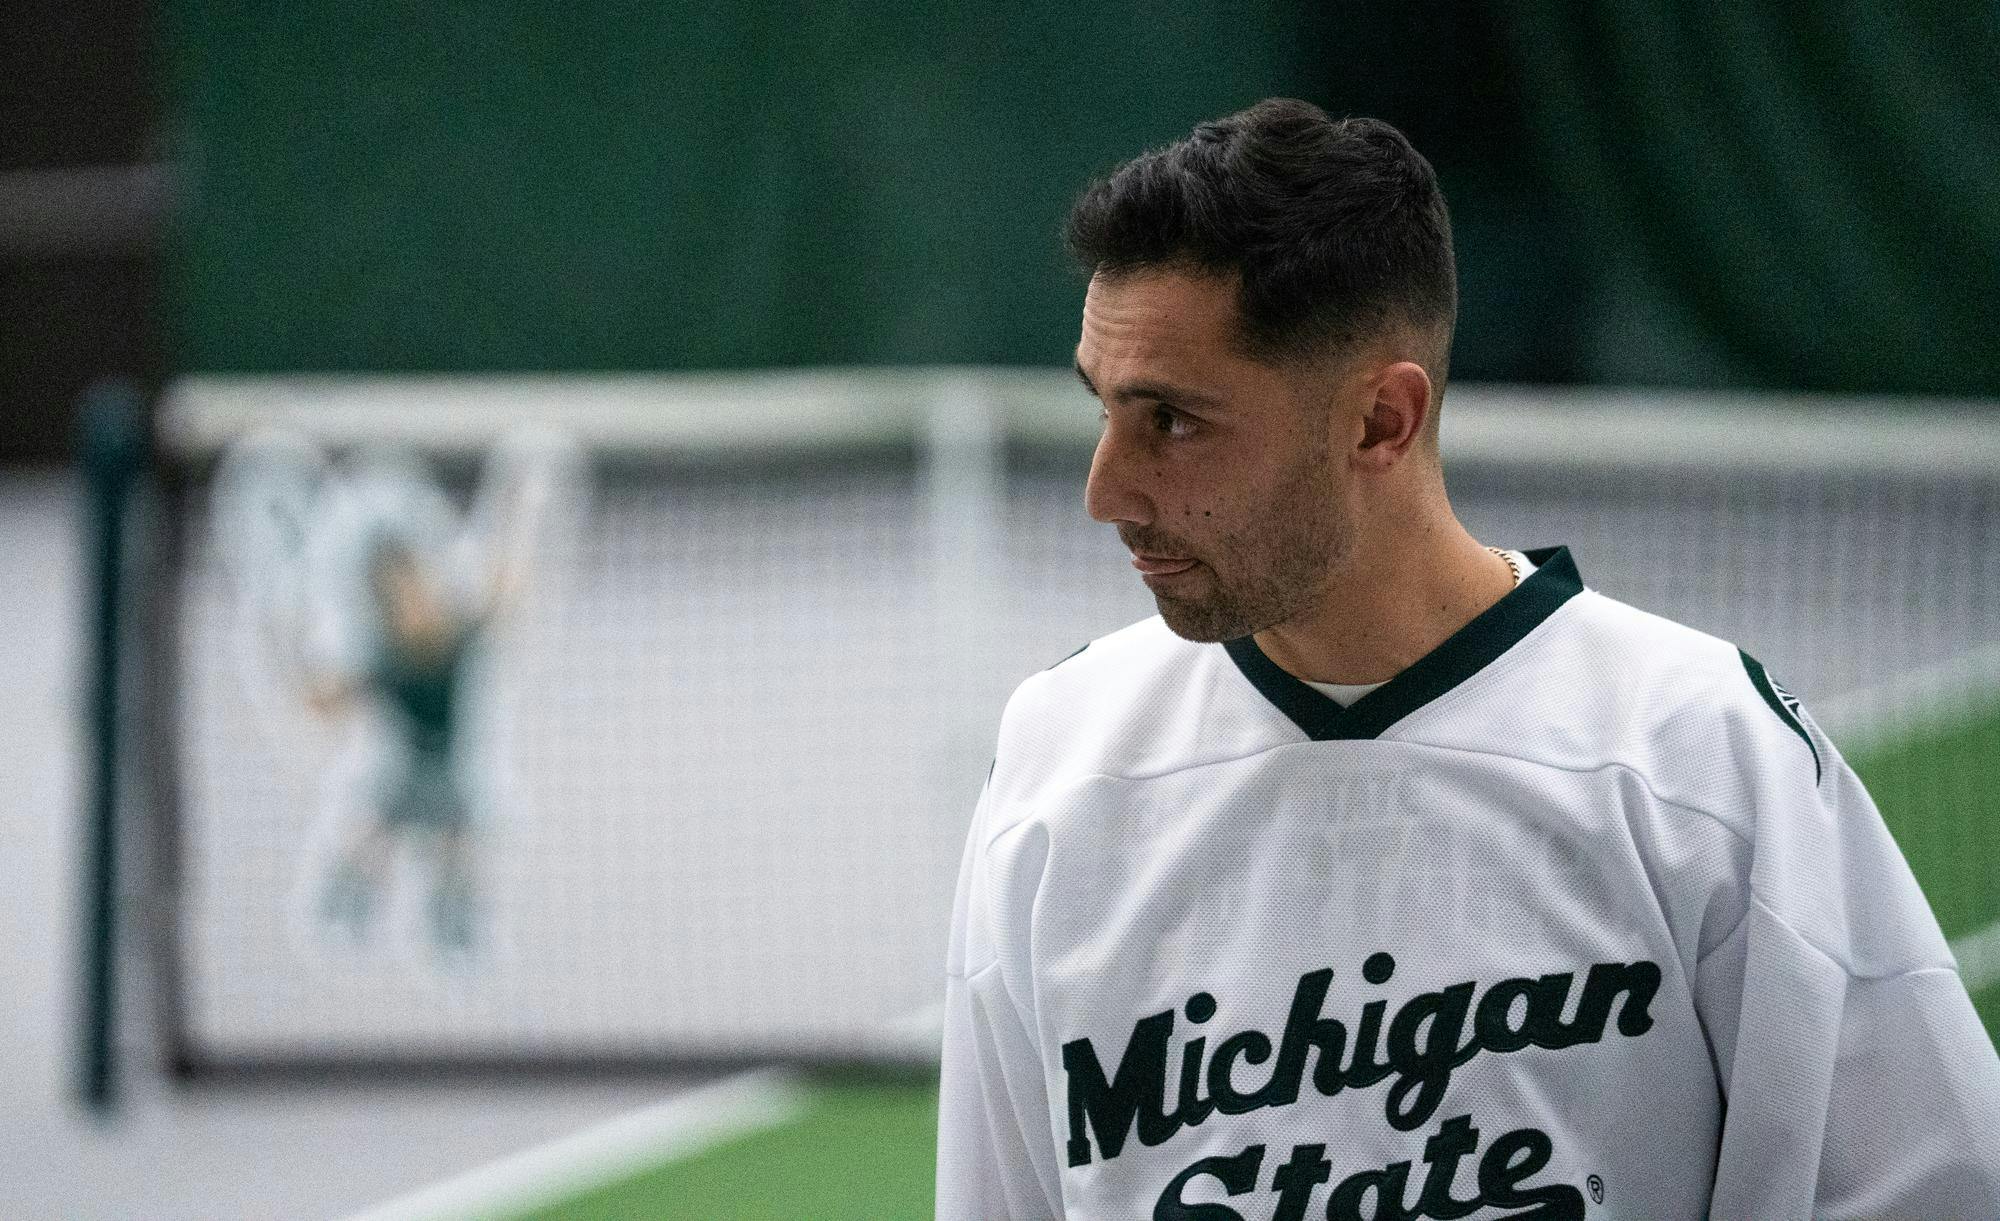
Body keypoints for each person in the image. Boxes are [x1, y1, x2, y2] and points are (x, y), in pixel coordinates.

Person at [935, 99, 2000, 1219]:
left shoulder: (1695, 759)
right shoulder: (1059, 761)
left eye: (1173, 423)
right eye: (1102, 410)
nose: (1106, 492)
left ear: (1380, 423)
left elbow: (1921, 1189)